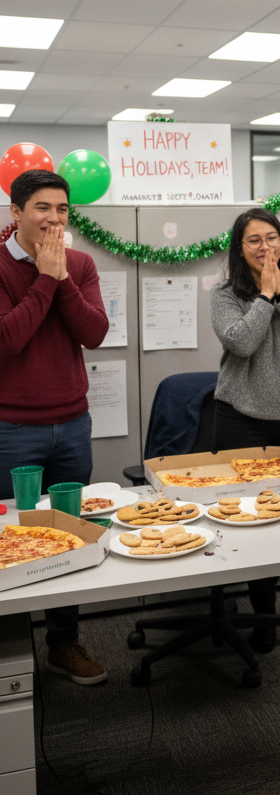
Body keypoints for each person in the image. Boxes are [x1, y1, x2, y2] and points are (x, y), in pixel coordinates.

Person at [0, 169, 109, 683]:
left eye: (62, 209)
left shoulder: (80, 265)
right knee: (15, 540)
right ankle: (11, 652)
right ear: (16, 212)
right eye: (42, 207)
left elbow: (94, 332)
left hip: (72, 425)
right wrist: (45, 278)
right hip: (12, 428)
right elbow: (8, 340)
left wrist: (61, 277)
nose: (54, 218)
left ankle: (63, 644)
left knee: (70, 534)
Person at [210, 208, 280, 652]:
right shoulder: (225, 293)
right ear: (240, 250)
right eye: (254, 240)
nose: (265, 247)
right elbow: (240, 342)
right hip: (241, 420)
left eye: (272, 237)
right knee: (253, 519)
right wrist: (264, 297)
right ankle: (264, 615)